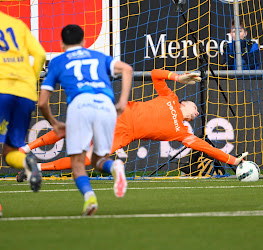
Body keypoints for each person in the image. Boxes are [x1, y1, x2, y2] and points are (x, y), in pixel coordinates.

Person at [18, 69, 248, 178]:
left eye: (197, 113)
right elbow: (156, 73)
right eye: (195, 109)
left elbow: (206, 147)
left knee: (89, 159)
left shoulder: (181, 133)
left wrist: (233, 160)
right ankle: (25, 149)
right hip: (120, 113)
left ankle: (36, 168)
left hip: (124, 135)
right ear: (185, 103)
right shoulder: (170, 97)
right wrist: (178, 77)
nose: (196, 113)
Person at [38, 24, 133, 215]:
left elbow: (42, 103)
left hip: (80, 105)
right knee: (99, 160)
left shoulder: (57, 61)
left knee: (78, 164)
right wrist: (122, 101)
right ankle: (115, 166)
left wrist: (54, 123)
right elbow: (127, 69)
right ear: (84, 41)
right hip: (106, 104)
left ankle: (90, 198)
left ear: (62, 44)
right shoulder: (98, 56)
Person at [0, 11, 46, 192]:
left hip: (2, 90)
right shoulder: (17, 24)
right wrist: (30, 82)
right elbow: (40, 54)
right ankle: (27, 160)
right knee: (10, 152)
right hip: (25, 93)